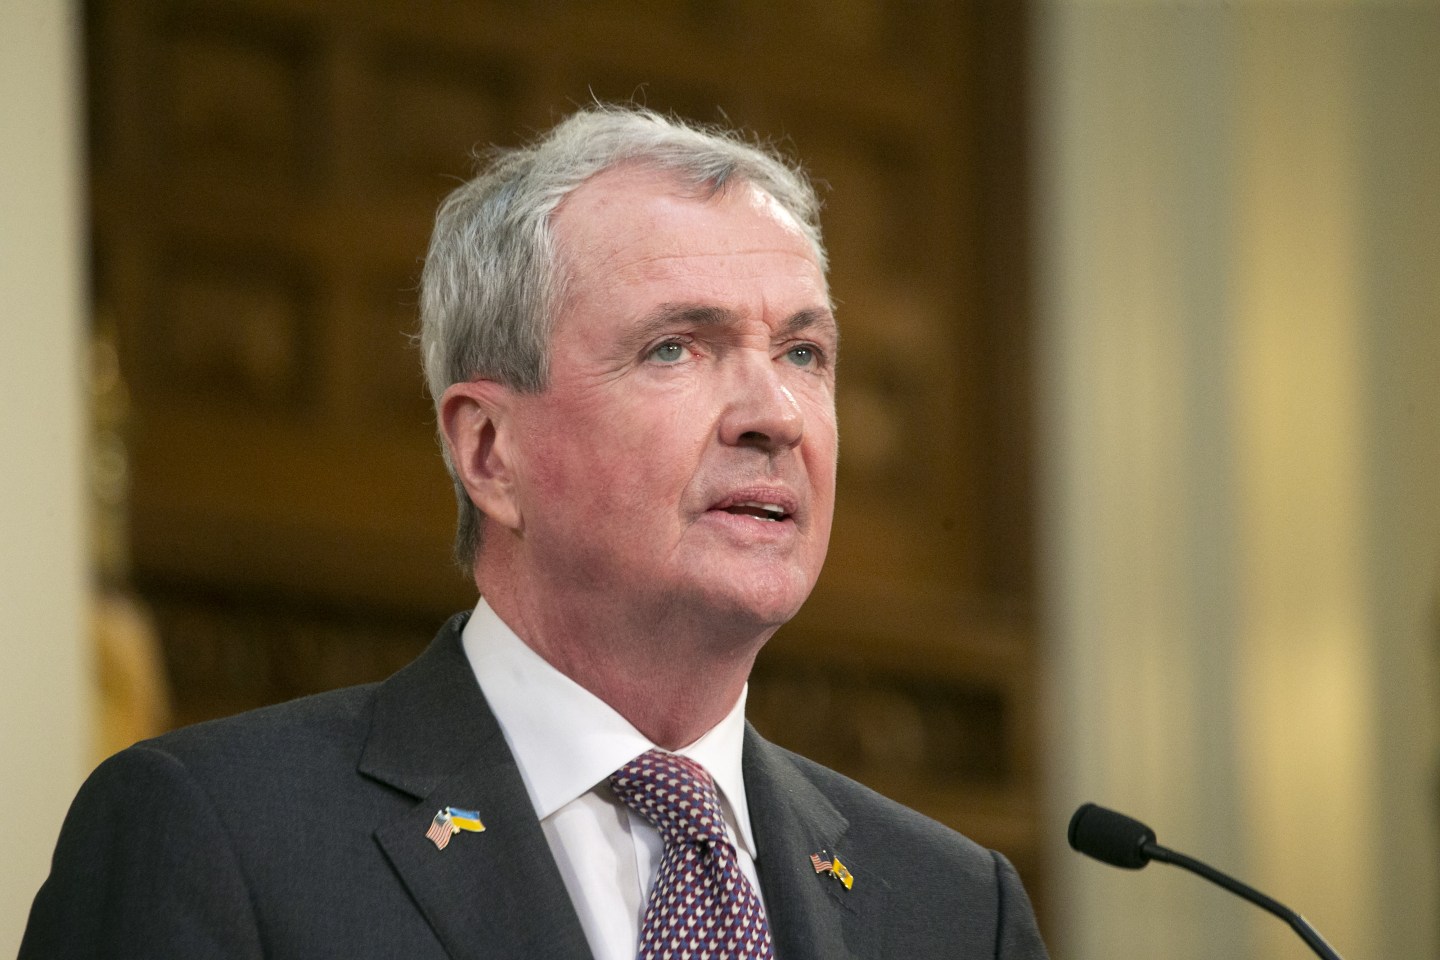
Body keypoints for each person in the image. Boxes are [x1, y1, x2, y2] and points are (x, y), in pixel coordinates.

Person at [22, 105, 1048, 960]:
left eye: (802, 352)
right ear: (489, 452)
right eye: (676, 348)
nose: (773, 414)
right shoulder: (217, 836)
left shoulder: (957, 911)